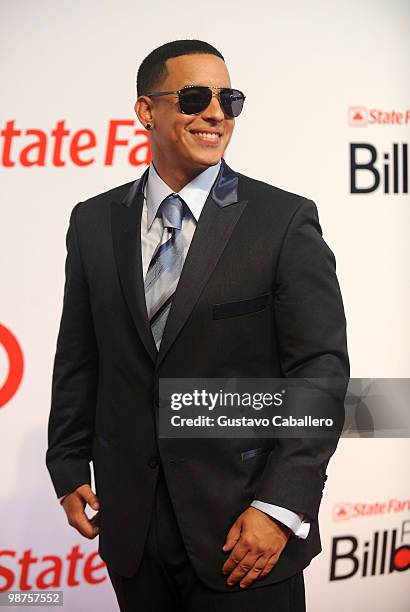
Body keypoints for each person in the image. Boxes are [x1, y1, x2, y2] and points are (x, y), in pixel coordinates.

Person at [46, 39, 349, 611]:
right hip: (132, 532)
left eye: (228, 99)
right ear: (145, 111)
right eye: (194, 97)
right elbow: (79, 356)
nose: (216, 113)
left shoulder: (282, 220)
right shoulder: (92, 221)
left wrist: (281, 507)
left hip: (244, 532)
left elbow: (321, 372)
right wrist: (66, 463)